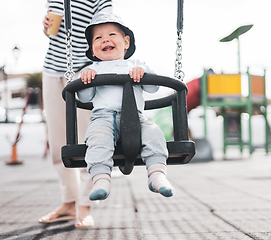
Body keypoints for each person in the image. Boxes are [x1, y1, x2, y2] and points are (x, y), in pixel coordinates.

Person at [77, 12, 175, 201]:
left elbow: (153, 88)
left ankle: (157, 175)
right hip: (103, 118)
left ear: (126, 42)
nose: (105, 39)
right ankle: (101, 179)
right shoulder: (94, 69)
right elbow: (84, 97)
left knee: (154, 133)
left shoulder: (136, 64)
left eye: (112, 35)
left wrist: (143, 73)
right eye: (98, 38)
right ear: (93, 49)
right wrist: (86, 79)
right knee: (97, 140)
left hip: (136, 118)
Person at [40, 0, 112, 228]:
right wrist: (46, 26)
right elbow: (53, 31)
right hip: (52, 69)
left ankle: (85, 205)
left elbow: (106, 27)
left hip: (84, 70)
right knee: (58, 140)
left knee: (88, 140)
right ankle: (69, 202)